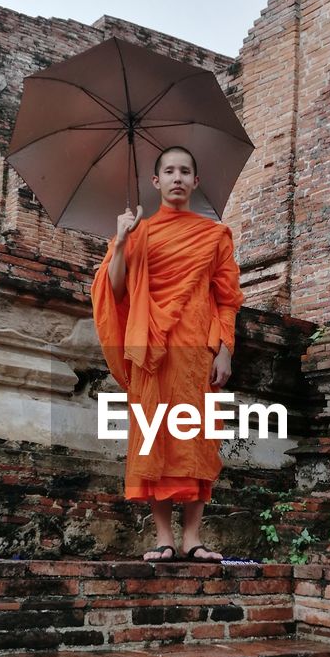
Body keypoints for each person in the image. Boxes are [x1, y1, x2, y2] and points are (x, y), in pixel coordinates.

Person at [91, 146, 243, 561]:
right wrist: (121, 241)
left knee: (196, 441)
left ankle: (193, 538)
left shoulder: (214, 236)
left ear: (196, 182)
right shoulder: (137, 232)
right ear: (155, 182)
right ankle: (163, 538)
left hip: (197, 353)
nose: (178, 178)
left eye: (186, 171)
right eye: (169, 171)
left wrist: (224, 350)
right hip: (151, 352)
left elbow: (227, 299)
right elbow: (116, 290)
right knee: (152, 441)